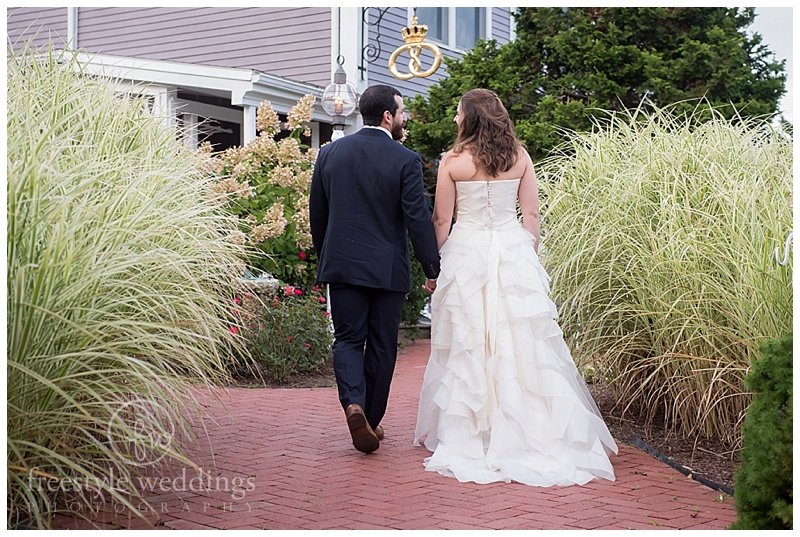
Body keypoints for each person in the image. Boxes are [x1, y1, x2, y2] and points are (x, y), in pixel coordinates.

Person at [413, 88, 618, 485]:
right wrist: (529, 254)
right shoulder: (520, 157)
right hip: (512, 250)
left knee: (470, 341)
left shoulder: (453, 161)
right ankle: (529, 429)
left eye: (458, 113)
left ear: (470, 118)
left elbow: (441, 219)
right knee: (521, 342)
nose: (455, 119)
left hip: (468, 253)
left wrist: (434, 268)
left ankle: (475, 430)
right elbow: (532, 213)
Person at [310, 84, 440, 454]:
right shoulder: (404, 160)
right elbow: (417, 219)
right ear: (387, 116)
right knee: (382, 345)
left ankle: (354, 405)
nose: (404, 119)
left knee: (348, 339)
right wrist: (432, 268)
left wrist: (328, 259)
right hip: (386, 270)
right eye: (401, 113)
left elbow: (318, 215)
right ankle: (370, 417)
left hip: (342, 265)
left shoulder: (329, 154)